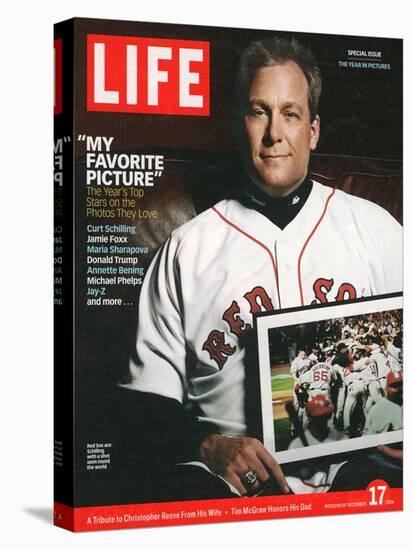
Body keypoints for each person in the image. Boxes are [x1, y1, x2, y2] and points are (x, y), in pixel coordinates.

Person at [122, 36, 402, 498]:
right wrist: (207, 444)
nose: (274, 132)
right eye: (259, 111)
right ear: (241, 126)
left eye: (290, 113)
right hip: (230, 486)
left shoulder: (377, 229)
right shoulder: (185, 249)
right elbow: (144, 404)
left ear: (312, 130)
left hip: (360, 474)